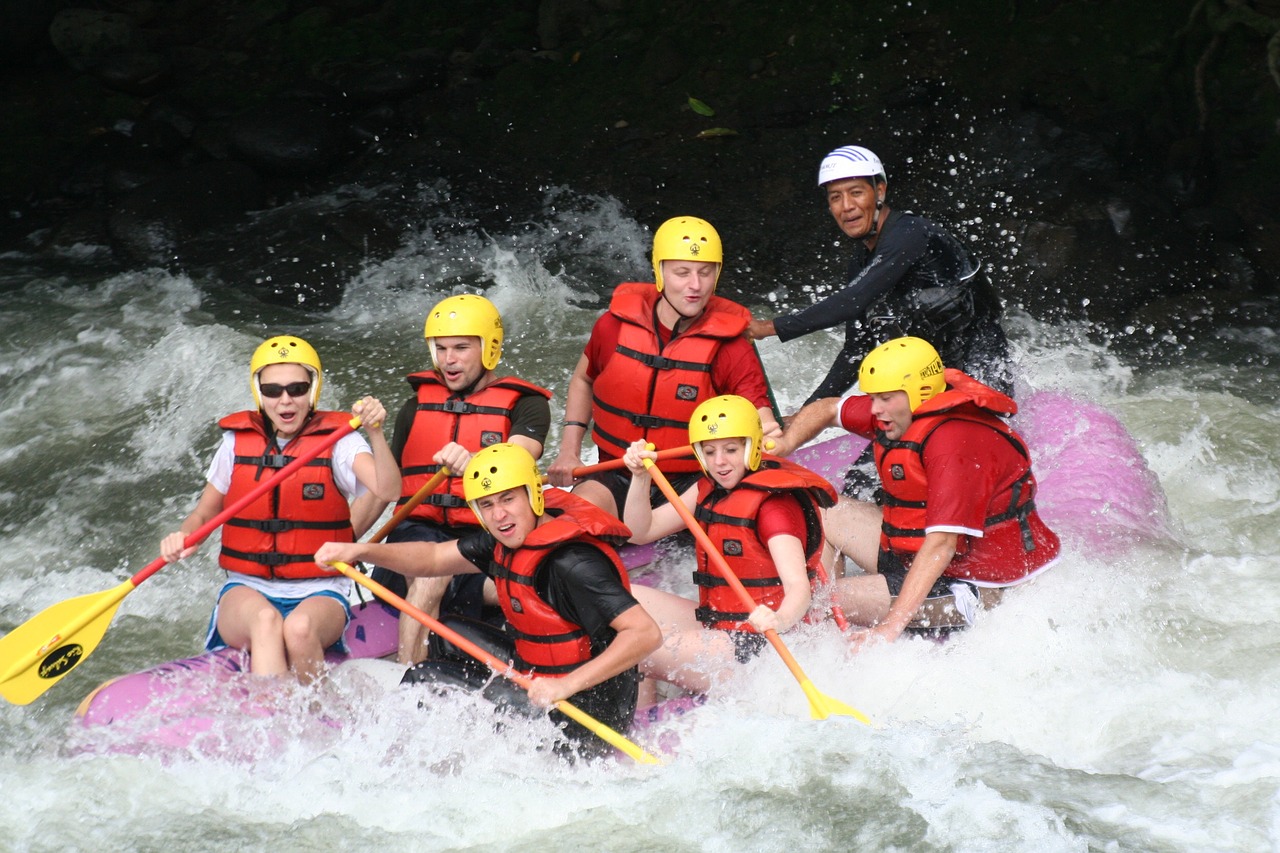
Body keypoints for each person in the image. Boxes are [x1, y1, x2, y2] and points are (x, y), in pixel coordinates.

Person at [315, 443, 661, 758]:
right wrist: (360, 551)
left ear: (534, 494)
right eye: (487, 504)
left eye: (508, 499)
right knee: (448, 633)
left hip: (587, 716)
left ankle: (406, 758)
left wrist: (564, 686)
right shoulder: (504, 540)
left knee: (426, 676)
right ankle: (456, 734)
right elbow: (433, 558)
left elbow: (645, 634)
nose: (499, 515)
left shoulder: (573, 565)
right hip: (541, 674)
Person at [771, 337, 1060, 651]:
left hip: (980, 584)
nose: (875, 409)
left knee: (825, 599)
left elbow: (942, 544)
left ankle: (831, 617)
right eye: (873, 398)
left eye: (884, 398)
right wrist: (786, 444)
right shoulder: (901, 410)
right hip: (921, 556)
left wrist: (888, 628)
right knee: (822, 510)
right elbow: (829, 408)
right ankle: (825, 624)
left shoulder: (954, 445)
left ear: (921, 392)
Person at [160, 335, 400, 684]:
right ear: (259, 393)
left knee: (299, 629)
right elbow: (203, 515)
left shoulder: (341, 442)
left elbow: (389, 490)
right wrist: (184, 536)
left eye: (297, 389)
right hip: (247, 588)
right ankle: (271, 708)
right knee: (266, 622)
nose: (285, 400)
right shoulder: (235, 443)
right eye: (272, 391)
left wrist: (375, 433)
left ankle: (314, 709)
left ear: (312, 390)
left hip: (320, 590)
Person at [547, 215, 781, 518]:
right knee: (575, 519)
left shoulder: (731, 348)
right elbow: (584, 380)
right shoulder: (613, 327)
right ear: (659, 272)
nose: (695, 285)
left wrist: (771, 436)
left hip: (696, 481)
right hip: (617, 470)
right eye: (682, 273)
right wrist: (569, 451)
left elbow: (760, 417)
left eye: (705, 272)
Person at [365, 294, 552, 665]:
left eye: (461, 348)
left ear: (489, 348)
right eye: (441, 348)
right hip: (415, 533)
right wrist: (340, 544)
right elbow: (386, 488)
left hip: (484, 536)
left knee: (530, 587)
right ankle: (410, 679)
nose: (448, 359)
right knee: (431, 575)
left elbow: (517, 458)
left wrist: (475, 463)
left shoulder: (527, 405)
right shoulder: (415, 406)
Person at [747, 145, 1014, 405]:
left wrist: (768, 328)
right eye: (835, 197)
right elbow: (856, 351)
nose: (846, 206)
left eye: (856, 193)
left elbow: (852, 301)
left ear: (880, 192)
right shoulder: (861, 262)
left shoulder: (911, 233)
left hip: (982, 380)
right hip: (927, 385)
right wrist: (807, 410)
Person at [620, 395, 836, 700]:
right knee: (621, 601)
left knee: (633, 648)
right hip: (723, 623)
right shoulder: (709, 487)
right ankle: (647, 708)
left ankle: (647, 722)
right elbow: (641, 531)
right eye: (710, 452)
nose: (719, 461)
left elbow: (798, 588)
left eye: (731, 450)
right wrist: (640, 478)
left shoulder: (774, 508)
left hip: (765, 645)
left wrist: (779, 619)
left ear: (752, 447)